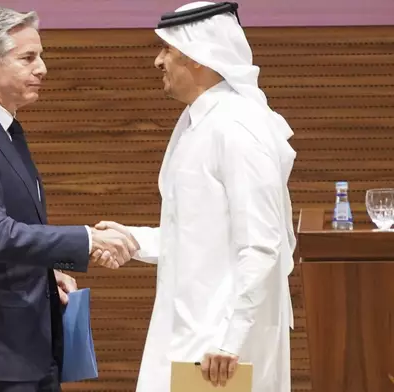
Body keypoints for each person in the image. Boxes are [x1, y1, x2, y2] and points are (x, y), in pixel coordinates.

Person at [0, 5, 137, 392]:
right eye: (28, 58)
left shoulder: (2, 127)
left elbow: (15, 224)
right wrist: (87, 240)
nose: (43, 68)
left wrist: (50, 271)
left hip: (24, 331)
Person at [95, 2, 297, 391]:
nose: (158, 61)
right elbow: (195, 232)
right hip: (190, 330)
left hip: (221, 346)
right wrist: (133, 239)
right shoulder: (197, 122)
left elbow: (262, 244)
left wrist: (230, 338)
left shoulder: (238, 127)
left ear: (200, 57)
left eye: (167, 50)